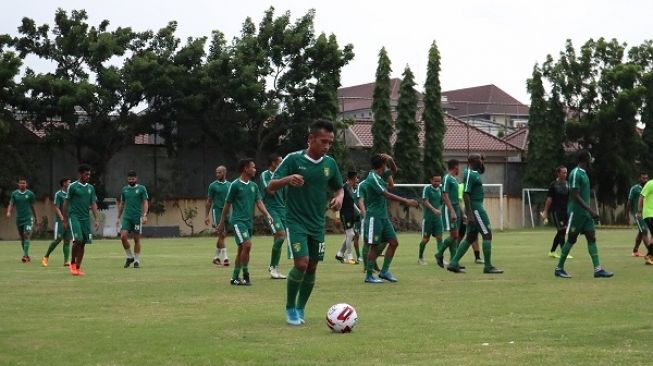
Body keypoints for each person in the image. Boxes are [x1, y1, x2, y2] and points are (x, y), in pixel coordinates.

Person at [268, 119, 344, 326]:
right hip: (295, 221)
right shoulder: (293, 159)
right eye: (323, 141)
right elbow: (270, 185)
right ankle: (290, 307)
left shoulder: (330, 164)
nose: (327, 146)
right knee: (301, 264)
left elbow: (340, 187)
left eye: (330, 142)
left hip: (317, 224)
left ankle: (301, 307)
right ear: (311, 139)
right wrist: (288, 179)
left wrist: (339, 198)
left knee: (312, 267)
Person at [554, 150, 613, 278]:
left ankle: (598, 270)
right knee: (571, 239)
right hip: (576, 213)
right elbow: (575, 195)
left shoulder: (584, 174)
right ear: (585, 160)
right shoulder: (576, 173)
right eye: (590, 159)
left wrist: (589, 212)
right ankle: (559, 268)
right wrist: (591, 210)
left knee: (591, 237)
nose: (591, 162)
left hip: (585, 215)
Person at [361, 154, 419, 283]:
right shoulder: (372, 178)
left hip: (383, 217)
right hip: (374, 217)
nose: (387, 166)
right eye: (385, 163)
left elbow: (394, 171)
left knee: (394, 242)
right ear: (382, 165)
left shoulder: (380, 176)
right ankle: (369, 276)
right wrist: (406, 201)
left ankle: (384, 271)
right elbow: (386, 194)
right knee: (374, 246)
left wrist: (390, 159)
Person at [217, 158, 273, 286]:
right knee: (247, 245)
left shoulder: (253, 186)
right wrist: (221, 222)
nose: (255, 169)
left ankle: (235, 277)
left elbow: (259, 202)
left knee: (242, 249)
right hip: (237, 221)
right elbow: (227, 204)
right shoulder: (235, 185)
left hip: (248, 222)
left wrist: (267, 214)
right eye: (253, 167)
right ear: (245, 169)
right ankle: (246, 275)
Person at [447, 154, 503, 274]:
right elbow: (466, 193)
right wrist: (470, 214)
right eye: (480, 160)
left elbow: (482, 170)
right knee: (487, 234)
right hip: (476, 209)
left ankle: (453, 263)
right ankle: (488, 266)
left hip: (476, 208)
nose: (482, 162)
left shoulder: (474, 172)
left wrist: (482, 161)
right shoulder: (469, 174)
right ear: (473, 161)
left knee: (471, 237)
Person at [62, 165, 100, 276]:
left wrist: (96, 219)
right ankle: (72, 263)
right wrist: (64, 219)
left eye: (89, 174)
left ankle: (78, 267)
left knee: (83, 243)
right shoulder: (73, 186)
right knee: (78, 239)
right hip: (74, 217)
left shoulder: (90, 188)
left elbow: (93, 203)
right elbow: (66, 203)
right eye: (86, 174)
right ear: (80, 174)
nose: (88, 176)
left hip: (85, 219)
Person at [259, 153, 288, 279]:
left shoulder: (282, 176)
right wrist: (283, 181)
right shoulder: (265, 175)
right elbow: (269, 190)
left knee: (279, 239)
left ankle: (275, 269)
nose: (282, 164)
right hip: (271, 211)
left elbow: (286, 195)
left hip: (283, 210)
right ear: (273, 163)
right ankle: (272, 267)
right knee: (280, 236)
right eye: (280, 161)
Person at [116, 170, 149, 268]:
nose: (131, 180)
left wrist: (144, 215)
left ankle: (137, 261)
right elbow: (122, 204)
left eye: (133, 179)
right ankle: (130, 256)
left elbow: (145, 202)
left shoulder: (142, 189)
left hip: (136, 217)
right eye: (130, 179)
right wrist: (118, 217)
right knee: (123, 237)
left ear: (136, 178)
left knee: (136, 239)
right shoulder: (124, 190)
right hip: (127, 217)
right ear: (127, 179)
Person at [541, 166, 573, 259]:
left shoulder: (568, 184)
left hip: (565, 211)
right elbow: (549, 199)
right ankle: (564, 253)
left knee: (560, 232)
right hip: (556, 212)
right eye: (563, 172)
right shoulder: (553, 185)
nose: (565, 174)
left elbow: (571, 198)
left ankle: (552, 252)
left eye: (566, 172)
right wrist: (545, 211)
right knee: (562, 231)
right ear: (558, 173)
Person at [436, 160, 462, 267]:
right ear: (455, 167)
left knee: (455, 236)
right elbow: (445, 195)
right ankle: (439, 254)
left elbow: (456, 197)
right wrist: (451, 211)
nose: (459, 169)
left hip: (456, 208)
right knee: (454, 235)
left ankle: (453, 261)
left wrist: (462, 212)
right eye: (458, 167)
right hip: (449, 209)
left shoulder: (454, 180)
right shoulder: (447, 178)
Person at [6, 177, 37, 262]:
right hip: (19, 219)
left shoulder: (30, 194)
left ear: (26, 184)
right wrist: (9, 212)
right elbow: (11, 204)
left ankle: (25, 256)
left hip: (28, 218)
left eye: (24, 183)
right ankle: (27, 255)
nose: (22, 184)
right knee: (22, 238)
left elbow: (33, 206)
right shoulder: (14, 194)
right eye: (21, 183)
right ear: (18, 184)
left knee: (26, 235)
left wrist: (35, 217)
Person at [42, 178, 72, 267]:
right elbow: (56, 207)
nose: (70, 184)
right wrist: (62, 217)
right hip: (60, 221)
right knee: (57, 240)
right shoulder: (58, 194)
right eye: (68, 182)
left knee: (67, 241)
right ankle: (46, 256)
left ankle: (66, 261)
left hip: (69, 220)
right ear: (64, 183)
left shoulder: (71, 194)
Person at [205, 166, 231, 266]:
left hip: (228, 212)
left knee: (223, 237)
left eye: (219, 172)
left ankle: (216, 258)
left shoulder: (230, 185)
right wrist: (206, 216)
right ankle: (225, 258)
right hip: (217, 212)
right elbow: (209, 201)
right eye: (216, 172)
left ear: (224, 173)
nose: (217, 174)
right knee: (222, 234)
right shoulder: (213, 186)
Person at [335, 171, 362, 265]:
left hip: (351, 214)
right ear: (352, 178)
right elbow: (338, 202)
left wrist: (358, 210)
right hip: (344, 214)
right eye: (356, 178)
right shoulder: (343, 188)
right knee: (351, 234)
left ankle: (339, 254)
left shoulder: (350, 188)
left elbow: (351, 202)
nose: (357, 180)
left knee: (350, 235)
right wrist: (337, 216)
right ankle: (349, 256)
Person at [418, 175, 443, 265]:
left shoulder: (440, 190)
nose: (437, 183)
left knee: (439, 238)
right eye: (435, 181)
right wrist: (434, 210)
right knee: (425, 239)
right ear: (431, 180)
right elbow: (425, 201)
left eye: (439, 181)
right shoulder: (427, 188)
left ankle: (440, 258)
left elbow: (441, 202)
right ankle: (420, 258)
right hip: (428, 219)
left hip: (437, 219)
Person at [626, 172, 650, 257]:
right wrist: (627, 214)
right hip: (638, 214)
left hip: (647, 213)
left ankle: (635, 251)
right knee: (644, 231)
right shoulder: (635, 188)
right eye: (643, 178)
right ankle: (651, 253)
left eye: (646, 178)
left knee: (641, 232)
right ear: (639, 178)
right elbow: (629, 201)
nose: (645, 180)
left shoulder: (649, 187)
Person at [636, 177, 653, 265]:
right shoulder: (650, 184)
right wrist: (639, 211)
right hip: (649, 214)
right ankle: (650, 256)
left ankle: (649, 255)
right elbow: (641, 196)